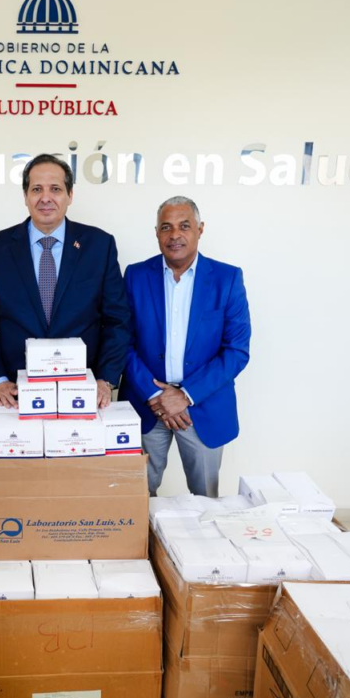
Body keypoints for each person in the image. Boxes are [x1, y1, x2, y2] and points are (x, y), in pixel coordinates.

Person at [0, 153, 130, 408]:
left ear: (70, 195)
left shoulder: (99, 245)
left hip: (83, 391)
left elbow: (117, 320)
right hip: (14, 393)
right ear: (25, 196)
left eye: (55, 189)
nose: (45, 198)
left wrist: (105, 379)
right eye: (36, 189)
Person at [120, 196, 250, 497]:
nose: (174, 235)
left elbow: (236, 351)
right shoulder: (135, 276)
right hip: (146, 405)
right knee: (134, 499)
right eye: (166, 227)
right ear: (156, 233)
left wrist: (185, 395)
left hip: (203, 406)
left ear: (200, 229)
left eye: (184, 226)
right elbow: (121, 341)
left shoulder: (227, 279)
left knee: (206, 501)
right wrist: (156, 395)